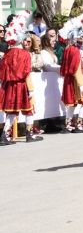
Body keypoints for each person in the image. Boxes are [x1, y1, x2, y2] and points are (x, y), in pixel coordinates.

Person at [0, 11, 42, 144]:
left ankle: (5, 135)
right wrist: (31, 90)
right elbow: (26, 72)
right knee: (29, 110)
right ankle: (29, 134)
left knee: (11, 112)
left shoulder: (7, 54)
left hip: (9, 86)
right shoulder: (24, 54)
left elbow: (2, 72)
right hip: (22, 85)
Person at [59, 16, 83, 133]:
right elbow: (75, 69)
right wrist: (81, 84)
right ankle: (78, 123)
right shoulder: (74, 50)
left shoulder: (69, 49)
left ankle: (69, 124)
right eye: (82, 37)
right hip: (76, 80)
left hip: (71, 79)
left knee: (72, 103)